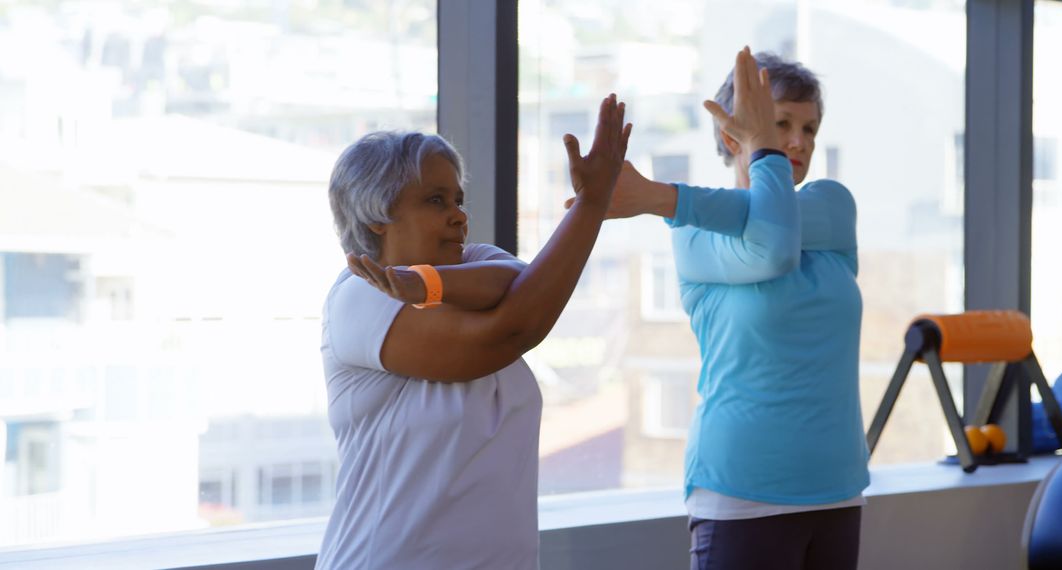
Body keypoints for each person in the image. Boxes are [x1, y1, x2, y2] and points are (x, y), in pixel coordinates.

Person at [569, 48, 869, 569]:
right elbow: (772, 247)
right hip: (743, 490)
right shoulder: (694, 233)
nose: (798, 142)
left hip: (837, 488)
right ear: (732, 137)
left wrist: (658, 196)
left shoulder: (832, 205)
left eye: (810, 128)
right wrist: (748, 157)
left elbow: (774, 222)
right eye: (778, 124)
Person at [315, 94, 631, 570]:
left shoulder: (478, 262)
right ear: (377, 214)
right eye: (435, 200)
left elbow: (526, 287)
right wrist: (591, 204)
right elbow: (512, 328)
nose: (459, 215)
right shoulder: (358, 297)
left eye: (458, 199)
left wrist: (424, 282)